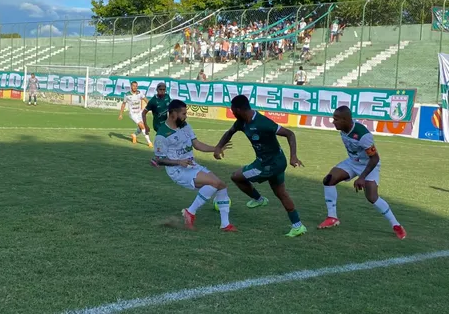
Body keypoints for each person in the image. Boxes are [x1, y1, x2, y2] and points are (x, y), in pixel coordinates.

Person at [214, 95, 307, 237]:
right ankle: (297, 225)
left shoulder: (263, 122)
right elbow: (229, 132)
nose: (232, 113)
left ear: (239, 110)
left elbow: (290, 134)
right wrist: (218, 146)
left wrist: (293, 156)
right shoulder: (241, 122)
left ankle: (259, 199)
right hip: (269, 161)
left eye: (233, 110)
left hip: (269, 165)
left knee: (236, 176)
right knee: (281, 193)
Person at [318, 106, 407, 240]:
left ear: (346, 119)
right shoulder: (343, 129)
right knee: (329, 180)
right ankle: (332, 217)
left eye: (336, 119)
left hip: (368, 165)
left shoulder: (363, 135)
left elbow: (375, 158)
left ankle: (396, 225)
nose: (333, 122)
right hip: (352, 162)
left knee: (372, 197)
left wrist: (362, 177)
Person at [153, 99, 237, 232]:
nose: (186, 116)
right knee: (214, 183)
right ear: (173, 114)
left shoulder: (185, 126)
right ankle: (190, 212)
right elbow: (159, 160)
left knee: (221, 185)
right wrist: (178, 162)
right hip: (177, 170)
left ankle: (225, 224)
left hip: (191, 166)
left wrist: (215, 148)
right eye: (184, 114)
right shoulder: (162, 135)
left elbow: (197, 144)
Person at [119, 81, 152, 147]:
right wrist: (121, 114)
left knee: (141, 128)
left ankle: (134, 135)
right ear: (131, 86)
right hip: (132, 114)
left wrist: (150, 106)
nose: (135, 87)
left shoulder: (140, 93)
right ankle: (149, 142)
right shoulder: (127, 95)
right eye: (134, 86)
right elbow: (123, 104)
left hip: (140, 113)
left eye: (136, 86)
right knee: (142, 126)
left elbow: (145, 100)